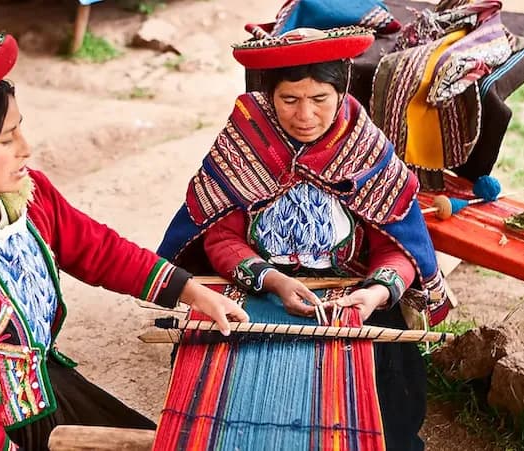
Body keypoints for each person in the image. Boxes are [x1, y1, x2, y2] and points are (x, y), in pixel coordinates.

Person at [0, 34, 248, 451]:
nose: (25, 149)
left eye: (20, 130)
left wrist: (193, 292)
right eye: (6, 141)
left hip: (45, 398)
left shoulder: (28, 197)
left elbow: (98, 250)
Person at [157, 26, 452, 451]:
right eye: (289, 99)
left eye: (320, 99)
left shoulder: (365, 149)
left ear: (342, 91)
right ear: (268, 95)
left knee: (391, 396)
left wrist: (374, 295)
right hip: (257, 284)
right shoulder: (245, 142)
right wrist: (273, 280)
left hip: (351, 290)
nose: (305, 115)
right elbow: (219, 236)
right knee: (209, 381)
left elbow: (398, 247)